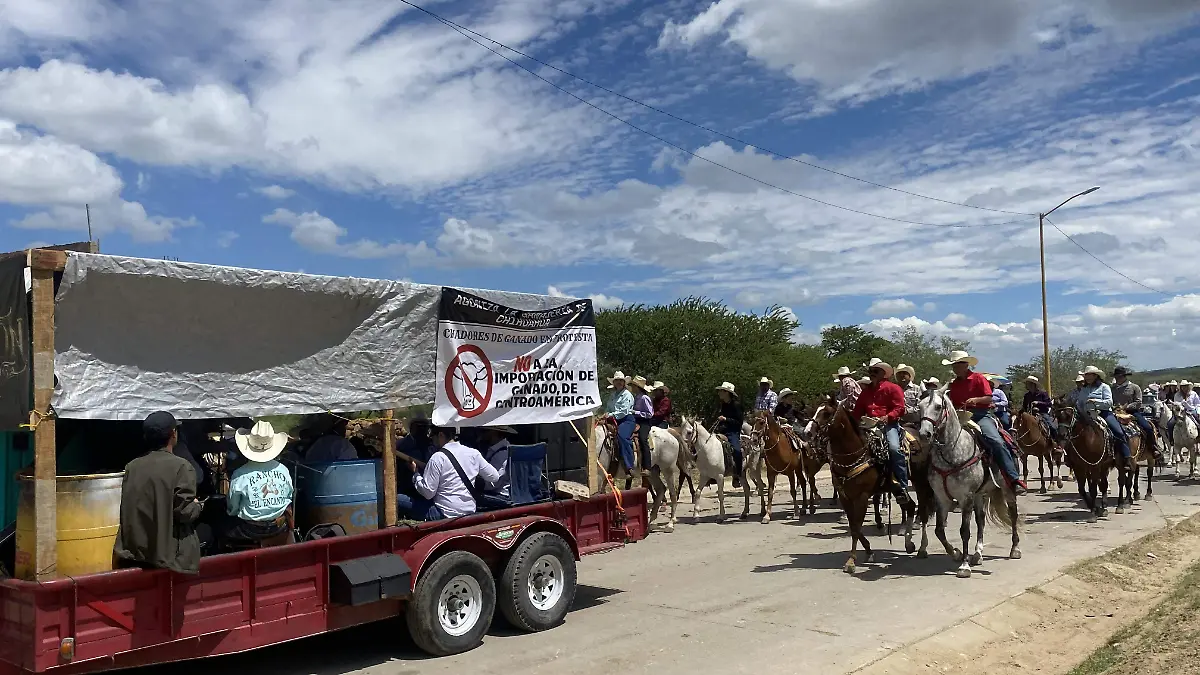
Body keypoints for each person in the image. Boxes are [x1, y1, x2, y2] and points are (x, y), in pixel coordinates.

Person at [113, 412, 204, 574]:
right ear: (173, 434)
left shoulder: (132, 467)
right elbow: (185, 513)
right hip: (167, 555)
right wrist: (198, 506)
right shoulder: (182, 467)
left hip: (135, 551)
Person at [943, 351, 1027, 494]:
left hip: (981, 415)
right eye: (953, 365)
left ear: (965, 365)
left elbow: (989, 398)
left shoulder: (978, 378)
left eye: (957, 365)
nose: (954, 368)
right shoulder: (954, 384)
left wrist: (976, 400)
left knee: (996, 441)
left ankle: (1013, 479)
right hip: (960, 417)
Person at [405, 425, 500, 520]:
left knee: (399, 499)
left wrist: (416, 474)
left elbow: (428, 493)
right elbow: (494, 477)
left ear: (441, 435)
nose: (432, 441)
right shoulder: (473, 453)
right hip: (469, 511)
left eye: (433, 437)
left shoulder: (437, 457)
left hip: (444, 514)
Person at [224, 421, 295, 547]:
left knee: (221, 526)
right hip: (278, 527)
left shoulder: (240, 474)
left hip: (250, 529)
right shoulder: (283, 469)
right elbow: (289, 495)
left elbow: (233, 508)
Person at [852, 361, 909, 503]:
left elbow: (900, 408)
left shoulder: (893, 388)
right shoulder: (866, 391)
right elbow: (857, 411)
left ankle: (902, 486)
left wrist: (887, 417)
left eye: (876, 371)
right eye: (871, 371)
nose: (872, 373)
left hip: (888, 425)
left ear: (884, 373)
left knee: (894, 448)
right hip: (867, 425)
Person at [1075, 366, 1131, 466]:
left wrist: (1096, 402)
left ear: (1095, 376)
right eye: (1085, 375)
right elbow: (1079, 403)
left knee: (1118, 432)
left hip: (1104, 413)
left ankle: (1126, 457)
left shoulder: (1104, 387)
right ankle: (1070, 457)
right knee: (1070, 430)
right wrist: (1079, 409)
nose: (1086, 377)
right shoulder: (1084, 389)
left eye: (1088, 375)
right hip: (1086, 414)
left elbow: (1109, 402)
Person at [1112, 366, 1156, 451]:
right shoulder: (1112, 388)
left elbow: (1138, 402)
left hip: (1132, 412)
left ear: (1124, 377)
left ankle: (1153, 448)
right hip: (1116, 412)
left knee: (1147, 427)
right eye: (1116, 377)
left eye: (1119, 377)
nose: (1117, 379)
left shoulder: (1134, 387)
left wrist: (1126, 407)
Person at [714, 381, 745, 488]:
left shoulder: (736, 405)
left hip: (733, 432)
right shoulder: (722, 405)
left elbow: (739, 422)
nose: (719, 393)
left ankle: (737, 475)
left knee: (736, 450)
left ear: (727, 393)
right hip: (722, 430)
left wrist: (726, 419)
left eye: (721, 391)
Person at [605, 371, 636, 473]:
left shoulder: (627, 395)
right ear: (614, 383)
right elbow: (608, 407)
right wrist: (606, 414)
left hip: (626, 419)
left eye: (620, 381)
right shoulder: (613, 395)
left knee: (622, 436)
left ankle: (629, 465)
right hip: (613, 419)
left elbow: (624, 411)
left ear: (624, 383)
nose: (618, 382)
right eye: (616, 380)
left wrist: (610, 415)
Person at [479, 425, 517, 500]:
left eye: (484, 431)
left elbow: (493, 483)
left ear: (494, 433)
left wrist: (474, 482)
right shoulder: (503, 448)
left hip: (500, 495)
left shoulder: (501, 454)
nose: (481, 434)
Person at [630, 376, 655, 476]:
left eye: (633, 385)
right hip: (636, 420)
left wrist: (636, 412)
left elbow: (650, 413)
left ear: (637, 387)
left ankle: (647, 467)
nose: (632, 387)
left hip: (644, 422)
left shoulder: (645, 398)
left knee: (643, 439)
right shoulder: (636, 397)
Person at [1021, 376, 1058, 443]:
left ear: (1033, 384)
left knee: (1052, 427)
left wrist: (1038, 403)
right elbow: (1024, 407)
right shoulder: (1027, 395)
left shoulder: (1043, 394)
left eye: (1027, 383)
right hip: (1030, 414)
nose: (1026, 385)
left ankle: (1055, 443)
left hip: (1042, 413)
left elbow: (1049, 404)